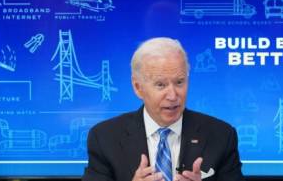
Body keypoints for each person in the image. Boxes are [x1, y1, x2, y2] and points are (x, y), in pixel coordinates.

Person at [82, 37, 245, 181]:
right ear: (138, 87)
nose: (173, 95)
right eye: (161, 85)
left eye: (179, 82)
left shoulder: (221, 136)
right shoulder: (104, 138)